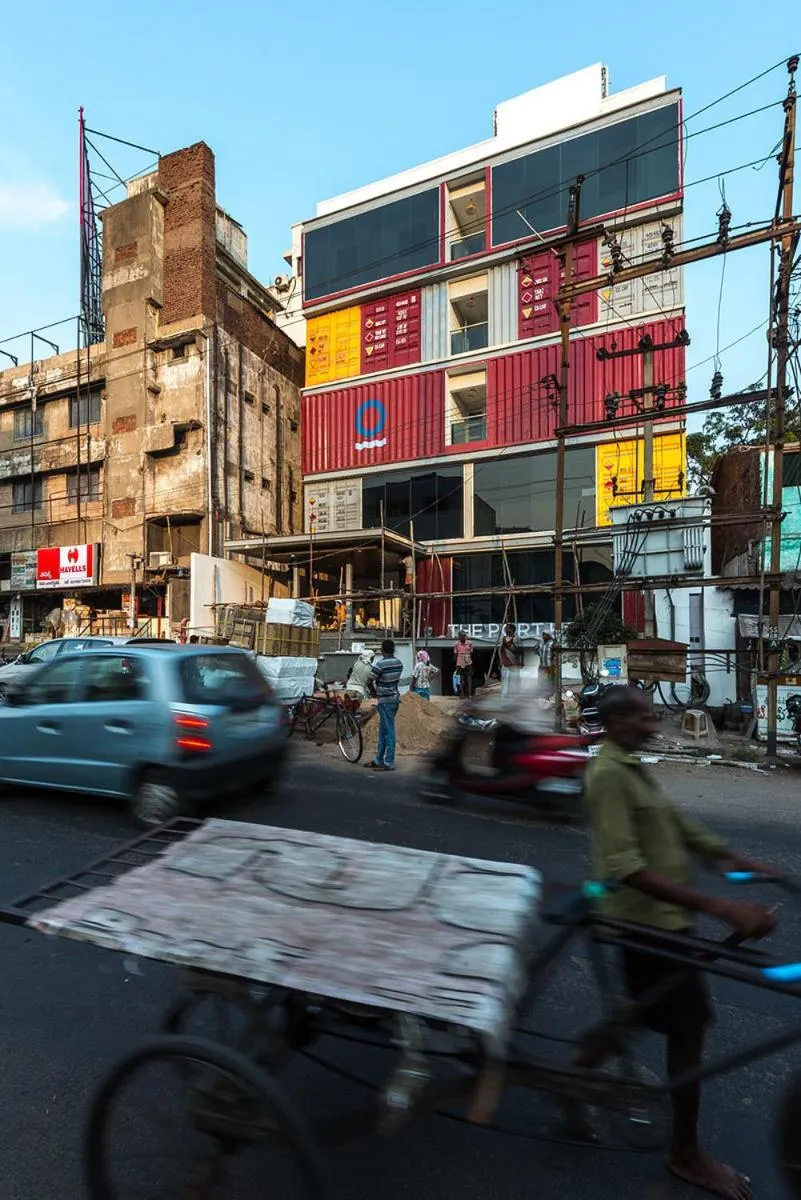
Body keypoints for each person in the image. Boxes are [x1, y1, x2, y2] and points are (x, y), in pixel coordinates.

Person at [582, 686, 776, 1200]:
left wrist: (731, 856)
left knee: (646, 1010)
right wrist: (720, 906)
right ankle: (685, 1153)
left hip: (666, 924)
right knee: (687, 1030)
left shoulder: (628, 764)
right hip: (646, 926)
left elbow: (675, 825)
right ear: (619, 720)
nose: (654, 723)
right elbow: (624, 869)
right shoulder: (606, 776)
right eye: (645, 716)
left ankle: (575, 1074)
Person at [367, 639, 403, 772]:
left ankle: (389, 763)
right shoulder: (399, 663)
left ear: (382, 650)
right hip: (394, 699)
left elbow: (370, 680)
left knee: (388, 732)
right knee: (383, 731)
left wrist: (373, 691)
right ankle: (378, 759)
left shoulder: (380, 664)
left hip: (385, 701)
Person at [499, 623, 523, 696]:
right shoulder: (503, 638)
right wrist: (501, 661)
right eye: (506, 629)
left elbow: (520, 651)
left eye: (508, 628)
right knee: (505, 682)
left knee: (514, 682)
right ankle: (504, 698)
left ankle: (514, 699)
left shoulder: (517, 639)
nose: (506, 630)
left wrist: (521, 661)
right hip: (506, 664)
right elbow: (500, 650)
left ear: (512, 630)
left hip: (514, 663)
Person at [453, 630, 473, 699]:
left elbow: (471, 652)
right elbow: (455, 654)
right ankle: (462, 694)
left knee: (468, 678)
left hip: (468, 662)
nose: (464, 637)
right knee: (461, 678)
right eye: (462, 636)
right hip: (459, 662)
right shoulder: (456, 644)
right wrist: (457, 663)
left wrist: (468, 659)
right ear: (459, 637)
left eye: (464, 636)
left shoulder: (469, 643)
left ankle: (469, 694)